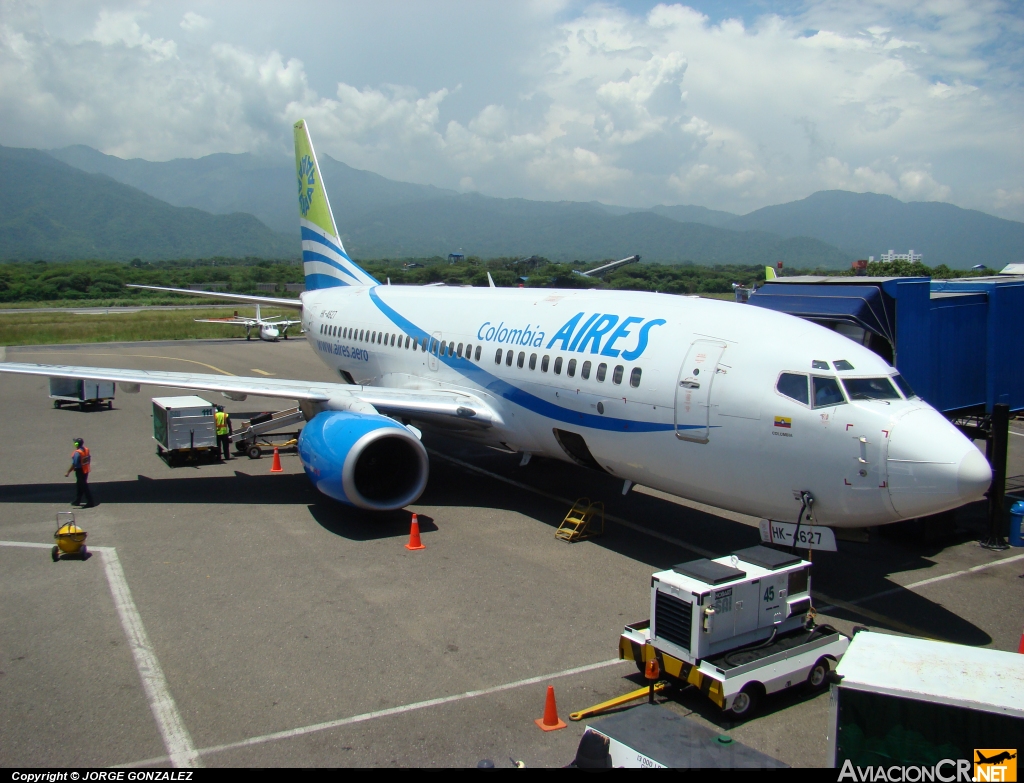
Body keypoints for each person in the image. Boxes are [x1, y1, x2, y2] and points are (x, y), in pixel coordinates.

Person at [65, 437, 94, 508]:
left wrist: (68, 472)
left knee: (83, 486)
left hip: (80, 470)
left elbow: (74, 464)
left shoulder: (77, 453)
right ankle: (77, 500)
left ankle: (90, 501)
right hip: (85, 470)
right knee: (79, 485)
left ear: (76, 444)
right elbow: (89, 458)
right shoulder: (86, 450)